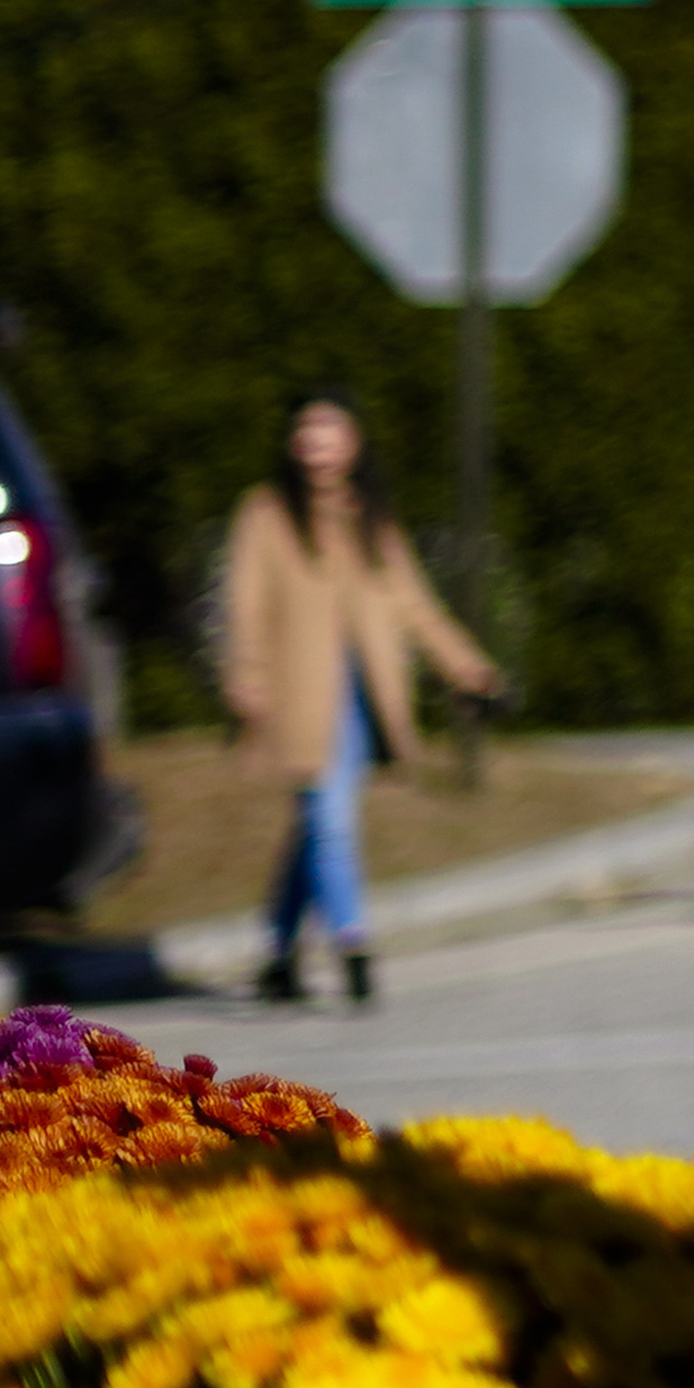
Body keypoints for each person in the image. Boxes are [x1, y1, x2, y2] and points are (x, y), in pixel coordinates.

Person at [215, 391, 504, 1007]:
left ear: (355, 442)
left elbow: (417, 607)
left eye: (330, 427)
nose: (317, 439)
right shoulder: (265, 514)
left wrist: (470, 671)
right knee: (329, 821)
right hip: (297, 697)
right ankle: (355, 949)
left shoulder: (372, 520)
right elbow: (243, 602)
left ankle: (277, 955)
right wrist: (244, 675)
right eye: (306, 427)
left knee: (318, 825)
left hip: (362, 698)